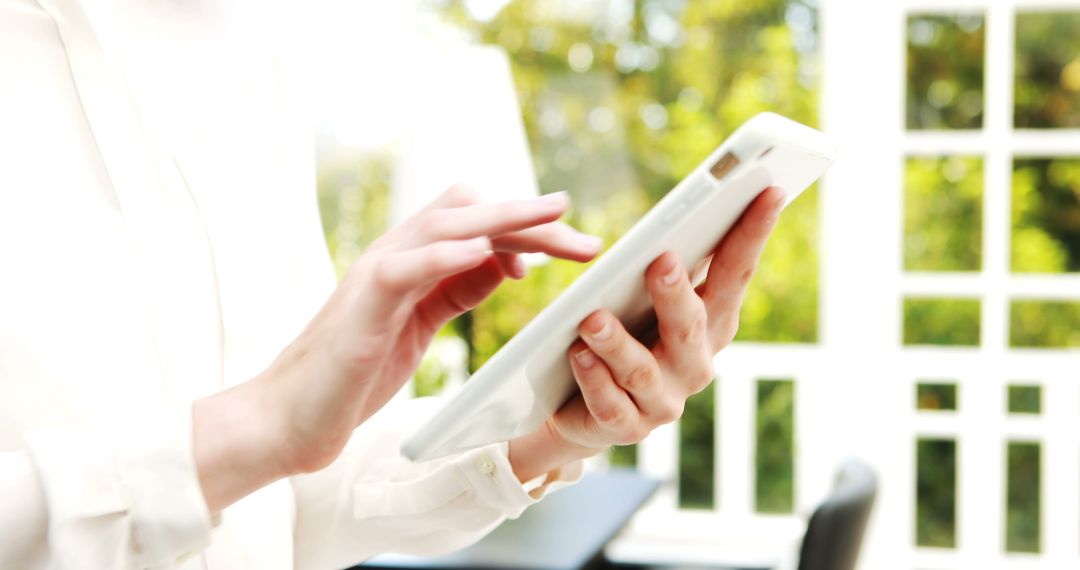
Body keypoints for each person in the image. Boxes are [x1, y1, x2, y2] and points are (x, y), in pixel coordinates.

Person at [0, 0, 785, 568]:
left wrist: (542, 431)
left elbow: (286, 510)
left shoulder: (252, 59)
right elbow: (254, 438)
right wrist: (257, 425)